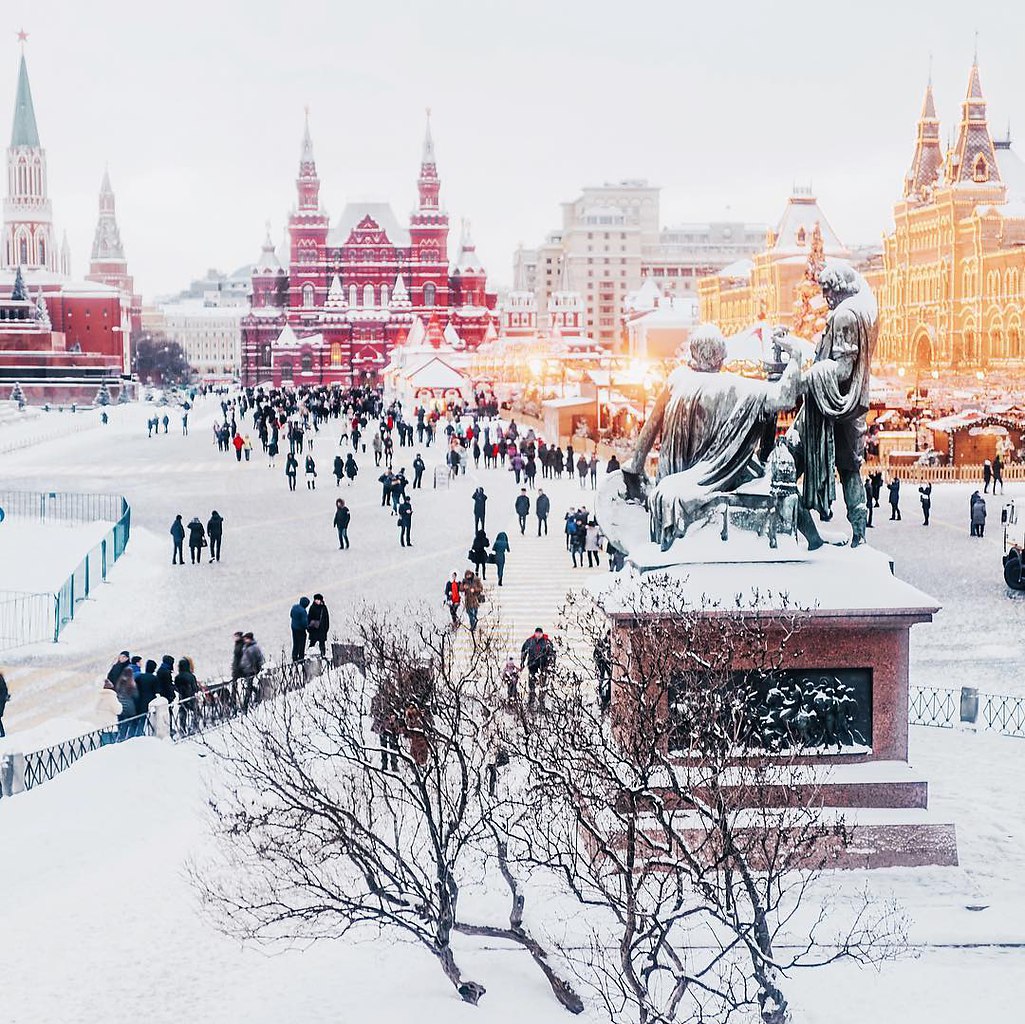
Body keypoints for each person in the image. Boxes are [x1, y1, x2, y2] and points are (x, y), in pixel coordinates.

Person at [520, 627, 555, 708]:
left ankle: (542, 703)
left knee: (543, 685)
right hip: (532, 666)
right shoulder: (529, 641)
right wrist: (522, 662)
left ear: (542, 634)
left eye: (540, 633)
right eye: (537, 633)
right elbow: (523, 651)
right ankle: (531, 702)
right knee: (531, 684)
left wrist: (551, 665)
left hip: (543, 666)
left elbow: (552, 654)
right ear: (535, 633)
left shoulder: (547, 642)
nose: (538, 634)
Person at [173, 657, 199, 735]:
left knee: (183, 714)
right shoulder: (191, 676)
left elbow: (176, 687)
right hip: (191, 697)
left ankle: (182, 728)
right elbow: (195, 688)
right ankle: (193, 728)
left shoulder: (177, 677)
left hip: (182, 698)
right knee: (193, 713)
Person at [239, 632, 265, 710]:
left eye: (246, 639)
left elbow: (257, 660)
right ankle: (257, 695)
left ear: (249, 639)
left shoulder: (253, 648)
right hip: (246, 670)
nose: (244, 640)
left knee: (249, 688)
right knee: (249, 687)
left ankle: (245, 706)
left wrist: (256, 669)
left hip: (251, 671)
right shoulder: (246, 647)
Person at [307, 593, 330, 658]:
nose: (316, 601)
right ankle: (309, 656)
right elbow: (309, 618)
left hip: (322, 630)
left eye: (318, 600)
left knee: (322, 644)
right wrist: (309, 628)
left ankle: (323, 656)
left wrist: (326, 629)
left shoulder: (324, 608)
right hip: (314, 629)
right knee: (312, 644)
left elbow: (326, 619)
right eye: (315, 599)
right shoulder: (312, 607)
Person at [290, 596, 310, 662]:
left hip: (293, 628)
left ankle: (294, 657)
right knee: (301, 644)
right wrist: (308, 628)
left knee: (295, 643)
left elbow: (291, 615)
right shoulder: (303, 611)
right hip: (300, 630)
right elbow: (304, 622)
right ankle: (301, 658)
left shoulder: (294, 607)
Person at [0, 669, 9, 738]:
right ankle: (2, 733)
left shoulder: (0, 679)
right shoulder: (1, 678)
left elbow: (3, 690)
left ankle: (2, 733)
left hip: (1, 699)